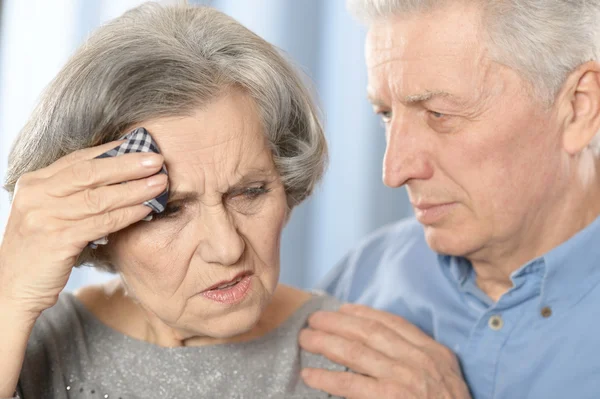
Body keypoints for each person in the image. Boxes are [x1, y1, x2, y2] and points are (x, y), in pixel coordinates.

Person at [0, 3, 346, 398]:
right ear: (95, 221)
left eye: (250, 192)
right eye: (172, 210)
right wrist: (10, 298)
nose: (228, 248)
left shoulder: (363, 358)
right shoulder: (25, 342)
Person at [298, 1, 600, 398]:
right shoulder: (365, 275)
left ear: (578, 107)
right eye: (386, 114)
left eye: (439, 114)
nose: (394, 171)